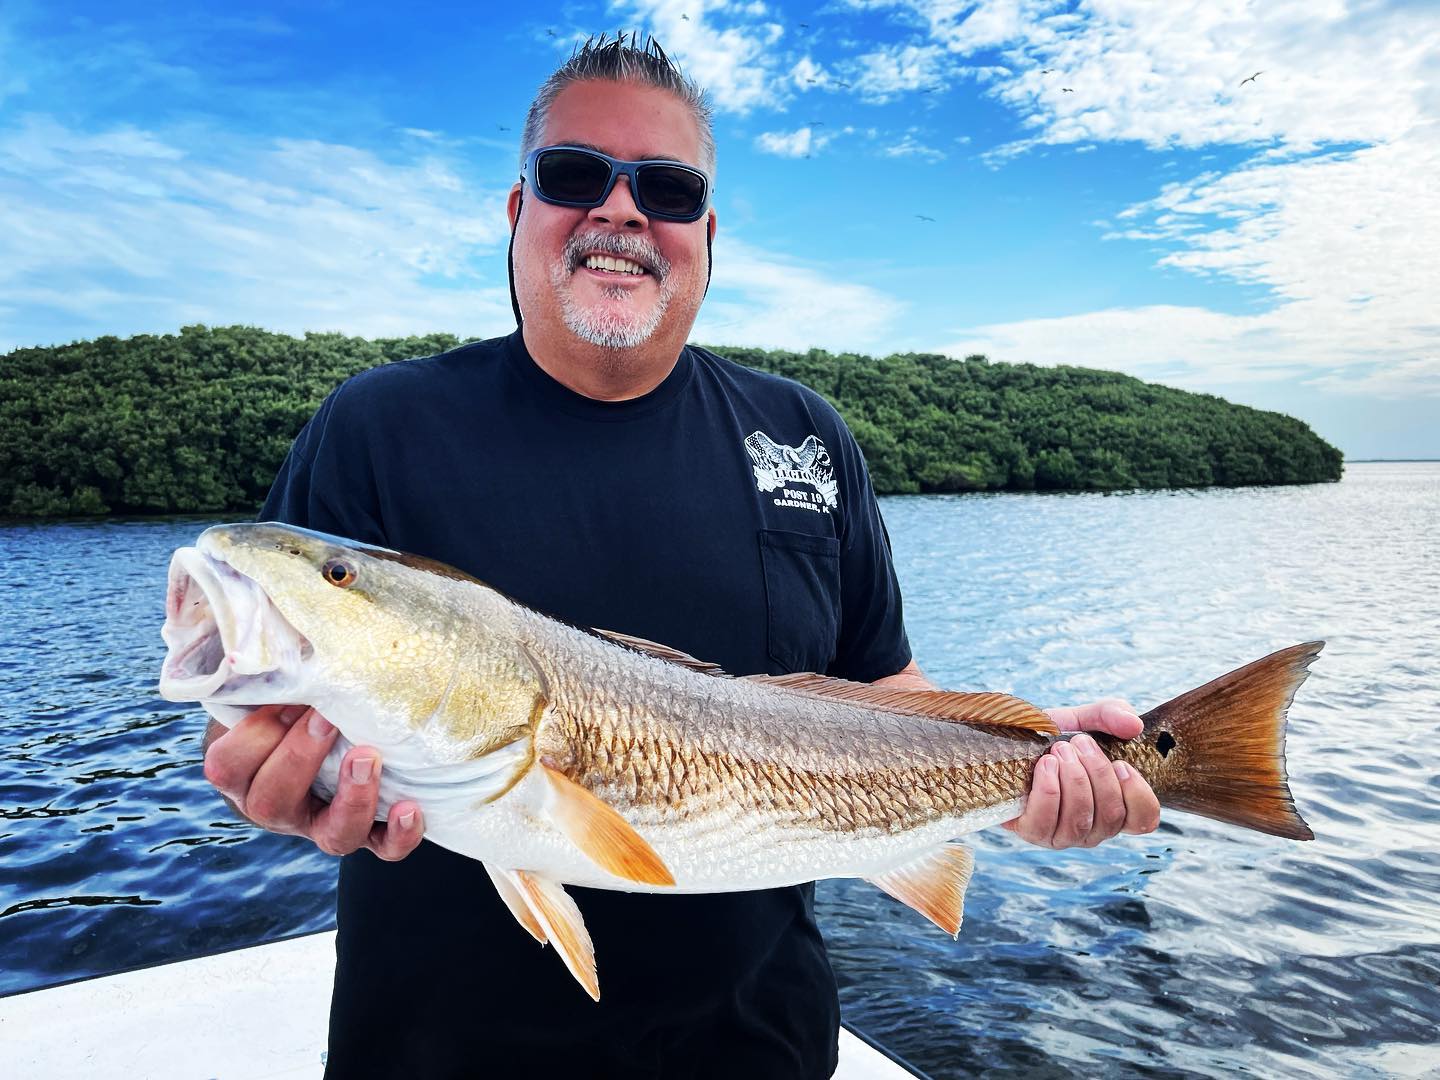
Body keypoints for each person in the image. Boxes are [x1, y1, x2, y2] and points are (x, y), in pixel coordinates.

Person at [201, 33, 1160, 1080]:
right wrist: (278, 789)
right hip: (433, 1055)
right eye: (575, 175)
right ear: (518, 210)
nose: (619, 210)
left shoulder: (803, 435)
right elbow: (280, 727)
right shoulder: (376, 427)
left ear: (706, 232)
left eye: (664, 187)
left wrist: (1037, 755)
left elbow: (884, 688)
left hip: (758, 1047)